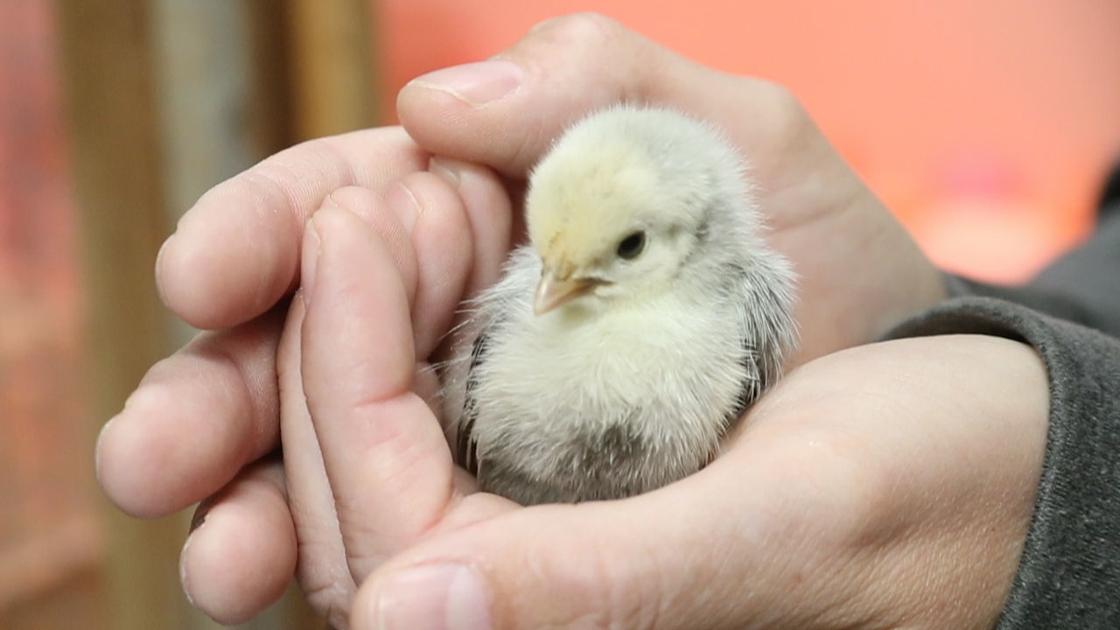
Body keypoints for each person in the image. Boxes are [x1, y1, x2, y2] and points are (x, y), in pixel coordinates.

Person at [95, 14, 1120, 629]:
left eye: (613, 257)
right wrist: (985, 331)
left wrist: (1060, 465)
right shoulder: (542, 283)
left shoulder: (745, 301)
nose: (549, 290)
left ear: (696, 230)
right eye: (547, 259)